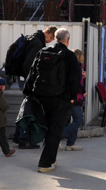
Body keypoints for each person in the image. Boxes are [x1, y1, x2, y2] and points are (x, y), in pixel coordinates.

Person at [26, 28, 81, 173]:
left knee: (49, 129)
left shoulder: (43, 52)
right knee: (55, 131)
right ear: (67, 40)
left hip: (41, 97)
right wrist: (71, 99)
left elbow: (32, 73)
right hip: (60, 99)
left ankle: (51, 159)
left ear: (55, 38)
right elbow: (74, 80)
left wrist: (29, 93)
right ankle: (44, 163)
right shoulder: (69, 56)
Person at [60, 49, 86, 152]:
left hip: (71, 97)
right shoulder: (76, 68)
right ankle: (59, 137)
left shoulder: (70, 66)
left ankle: (71, 142)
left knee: (74, 120)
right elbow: (75, 83)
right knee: (78, 120)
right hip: (75, 97)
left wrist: (82, 76)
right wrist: (83, 91)